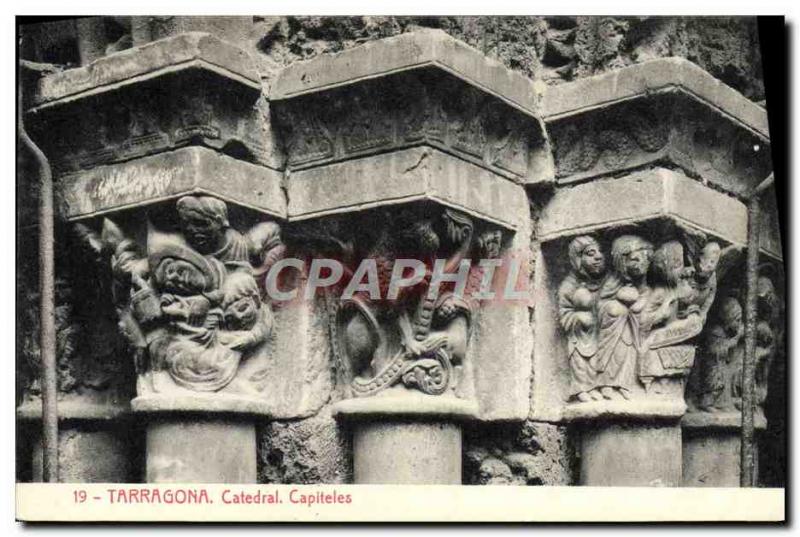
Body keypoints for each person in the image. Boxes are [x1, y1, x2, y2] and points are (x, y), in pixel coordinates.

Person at [594, 235, 653, 400]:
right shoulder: (612, 281)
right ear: (621, 262)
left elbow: (645, 295)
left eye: (642, 258)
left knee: (628, 353)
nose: (638, 263)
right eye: (632, 259)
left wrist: (638, 304)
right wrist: (616, 308)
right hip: (614, 328)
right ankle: (605, 383)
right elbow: (600, 304)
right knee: (615, 353)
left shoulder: (641, 282)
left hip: (630, 328)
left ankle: (624, 384)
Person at [557, 235, 606, 402]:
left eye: (600, 252)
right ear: (578, 259)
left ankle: (593, 387)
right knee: (579, 361)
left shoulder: (600, 282)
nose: (598, 256)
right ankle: (580, 389)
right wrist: (578, 317)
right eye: (591, 253)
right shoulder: (568, 286)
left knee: (595, 360)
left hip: (596, 333)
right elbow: (564, 314)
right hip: (578, 336)